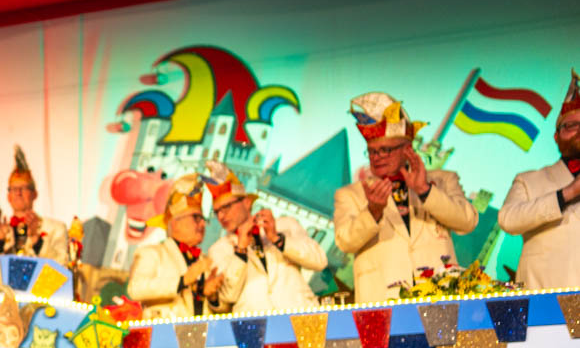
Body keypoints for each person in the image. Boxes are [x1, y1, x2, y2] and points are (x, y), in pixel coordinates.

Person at [334, 92, 477, 302]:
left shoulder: (443, 180)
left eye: (385, 150)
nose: (377, 157)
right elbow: (345, 242)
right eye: (372, 152)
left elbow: (467, 222)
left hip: (438, 298)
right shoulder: (352, 194)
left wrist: (425, 191)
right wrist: (373, 212)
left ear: (407, 149)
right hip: (382, 302)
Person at [204, 161, 326, 313]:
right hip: (256, 322)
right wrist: (240, 250)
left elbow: (320, 261)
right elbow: (228, 296)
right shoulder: (218, 250)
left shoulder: (285, 225)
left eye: (226, 207)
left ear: (247, 203)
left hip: (299, 314)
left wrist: (277, 239)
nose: (221, 216)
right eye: (217, 212)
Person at [498, 71, 580, 289]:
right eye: (571, 125)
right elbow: (508, 219)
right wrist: (568, 193)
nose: (579, 131)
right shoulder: (529, 180)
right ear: (556, 136)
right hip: (547, 295)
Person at [127, 175, 227, 320]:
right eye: (196, 217)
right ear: (175, 223)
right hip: (162, 331)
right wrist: (182, 281)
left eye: (203, 219)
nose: (202, 224)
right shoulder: (152, 253)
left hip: (201, 332)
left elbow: (220, 310)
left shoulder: (205, 261)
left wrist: (212, 297)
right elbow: (135, 289)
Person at [0, 146, 67, 261]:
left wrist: (36, 239)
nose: (18, 193)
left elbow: (61, 265)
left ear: (34, 194)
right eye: (14, 189)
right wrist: (0, 241)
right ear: (8, 197)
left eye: (23, 188)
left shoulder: (55, 229)